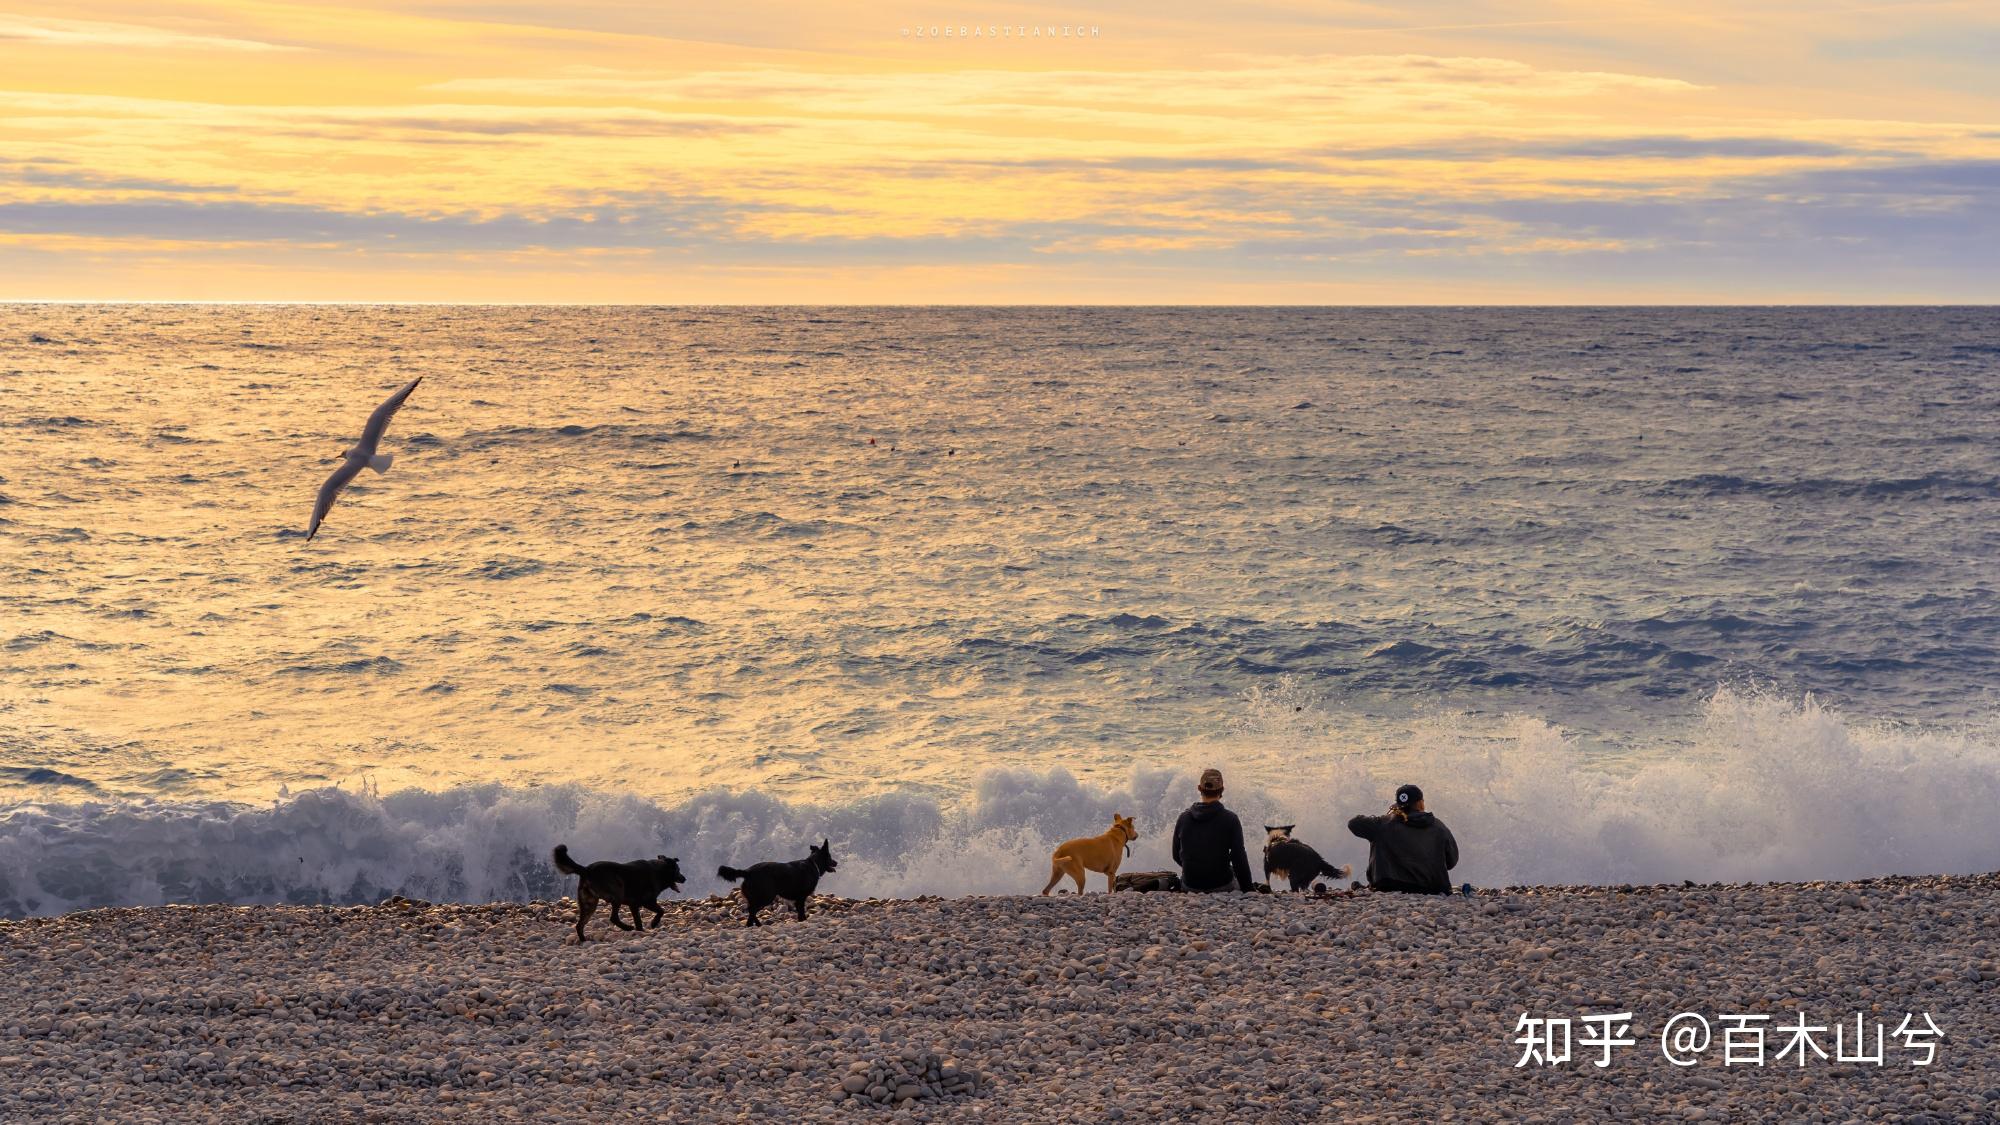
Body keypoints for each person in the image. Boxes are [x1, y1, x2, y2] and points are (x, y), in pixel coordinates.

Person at [1347, 783, 1459, 894]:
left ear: (1397, 805)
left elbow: (1353, 824)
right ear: (1420, 803)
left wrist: (1388, 816)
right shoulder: (1439, 826)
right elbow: (1451, 862)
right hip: (1432, 889)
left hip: (1388, 887)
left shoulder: (1382, 824)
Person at [1172, 768, 1254, 893]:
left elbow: (1176, 855)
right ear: (1222, 790)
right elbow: (1239, 857)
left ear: (1199, 788)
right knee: (1232, 871)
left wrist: (1196, 871)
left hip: (1190, 885)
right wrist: (1248, 890)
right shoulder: (1230, 819)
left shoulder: (1183, 818)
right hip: (1221, 885)